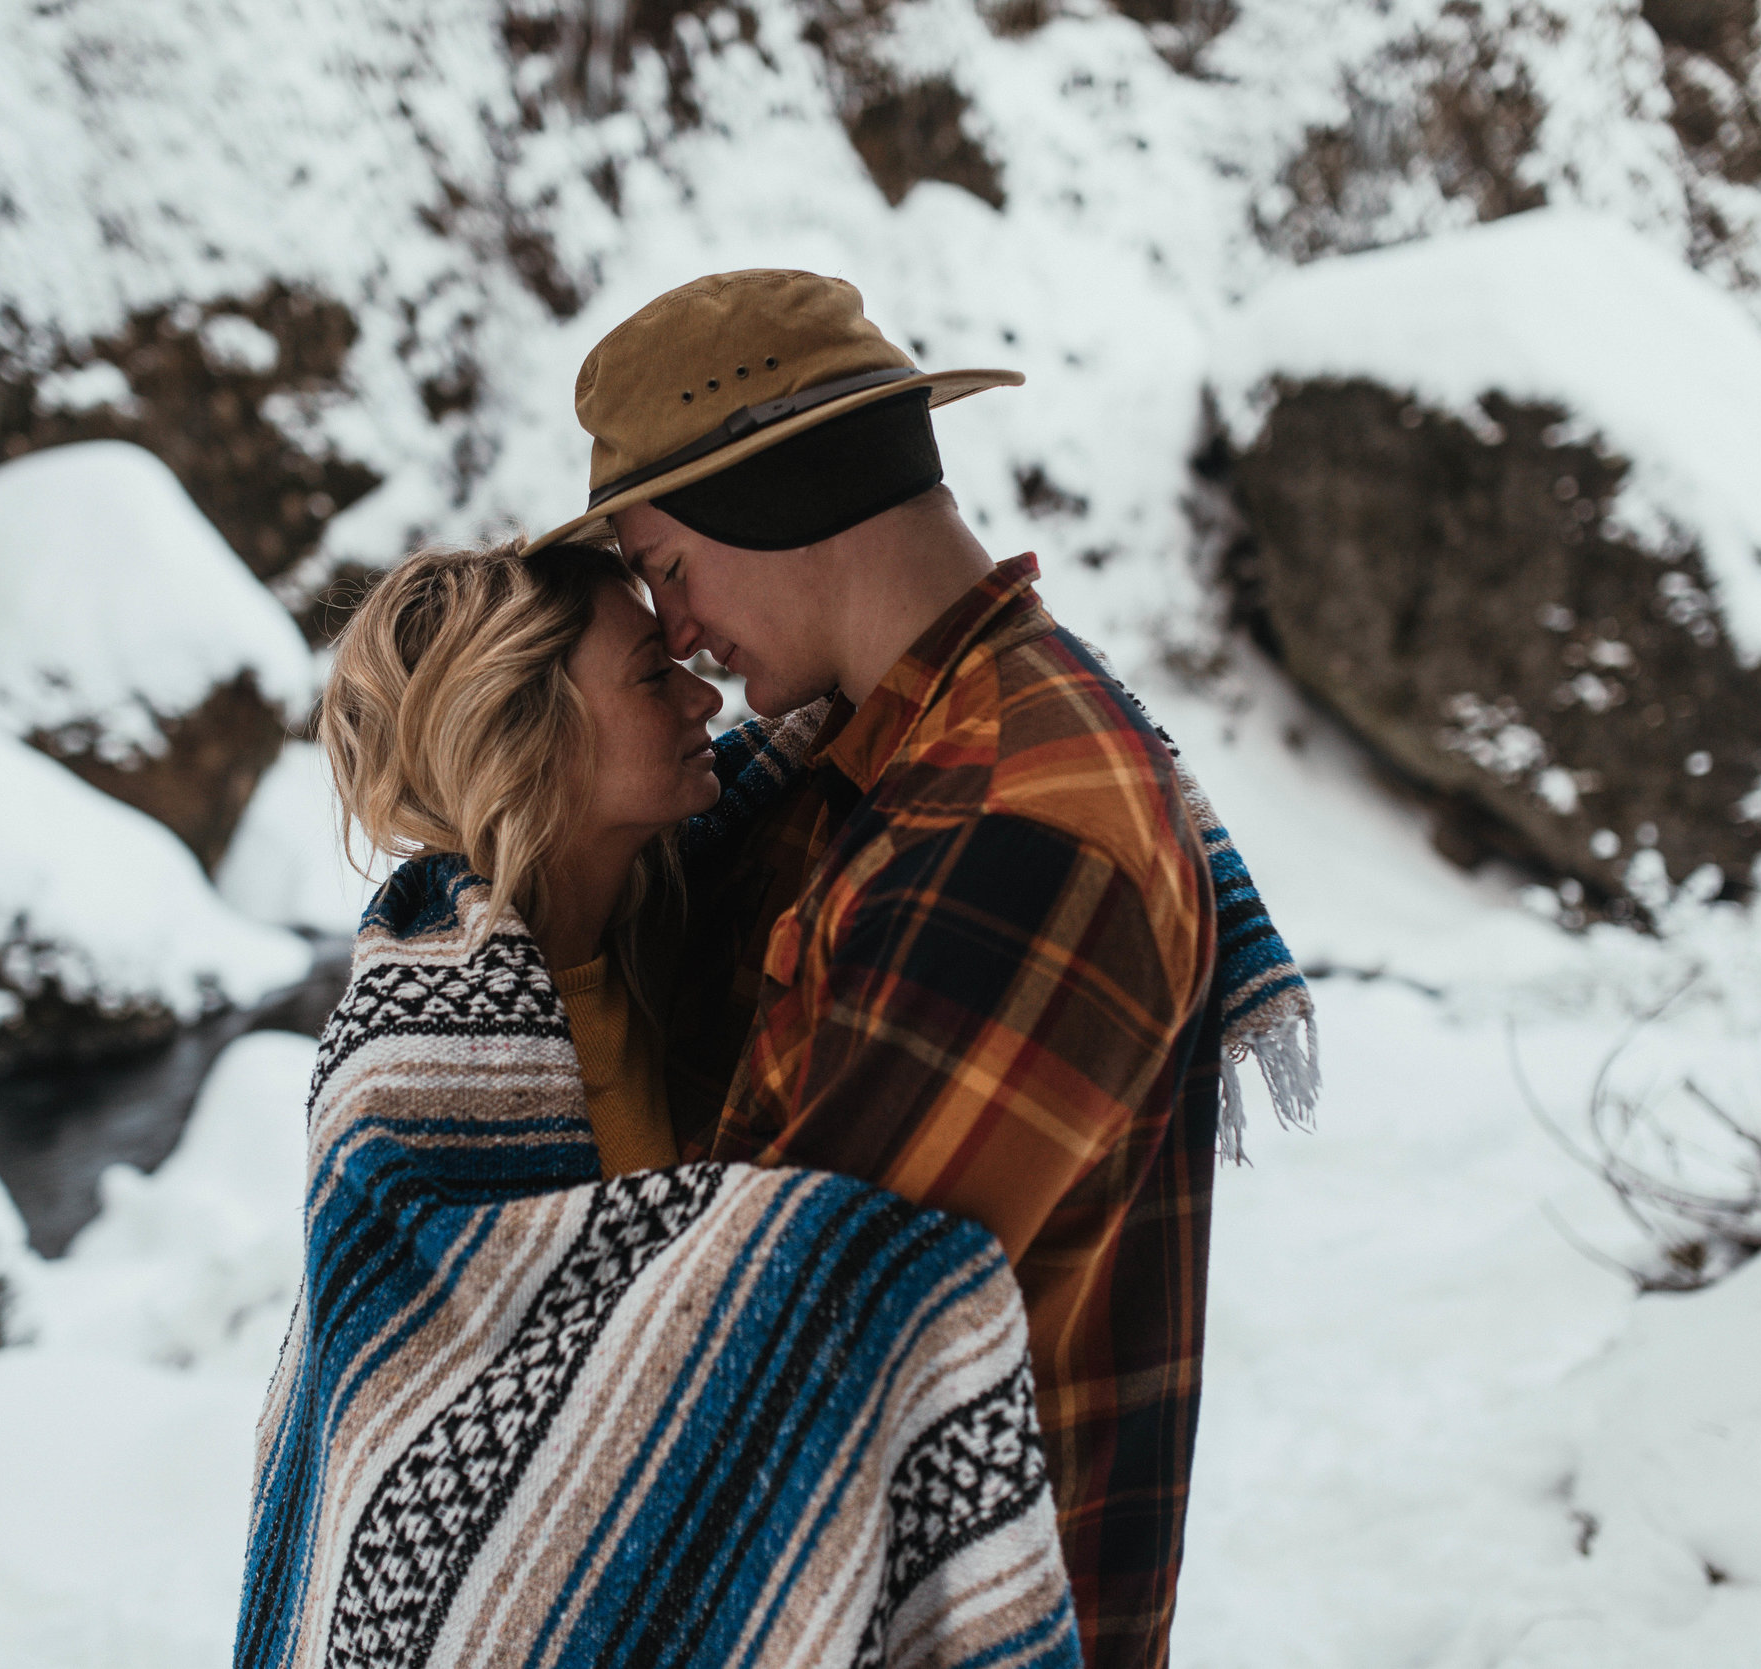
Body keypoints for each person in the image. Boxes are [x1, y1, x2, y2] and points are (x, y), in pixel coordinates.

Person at [523, 270, 1318, 1668]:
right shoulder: (892, 761)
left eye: (668, 568)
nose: (679, 633)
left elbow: (779, 1348)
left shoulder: (1022, 826)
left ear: (776, 498)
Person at [235, 538, 1083, 1669]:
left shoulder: (675, 907)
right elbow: (417, 1460)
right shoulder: (414, 1056)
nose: (701, 691)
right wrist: (866, 1277)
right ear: (527, 732)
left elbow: (885, 717)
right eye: (648, 673)